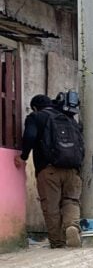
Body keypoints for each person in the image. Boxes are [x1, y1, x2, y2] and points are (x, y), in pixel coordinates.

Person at [14, 94, 84, 248]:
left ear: (34, 107)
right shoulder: (69, 118)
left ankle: (58, 241)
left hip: (49, 169)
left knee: (51, 206)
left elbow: (30, 135)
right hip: (72, 169)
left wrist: (23, 156)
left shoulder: (36, 117)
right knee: (71, 201)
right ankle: (72, 226)